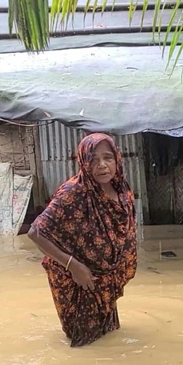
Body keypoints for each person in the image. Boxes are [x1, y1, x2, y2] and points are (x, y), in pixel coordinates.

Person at [28, 133, 137, 347]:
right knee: (84, 343)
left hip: (105, 280)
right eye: (93, 159)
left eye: (107, 158)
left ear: (117, 158)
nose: (102, 166)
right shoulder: (73, 192)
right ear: (83, 162)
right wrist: (74, 266)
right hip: (79, 281)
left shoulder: (122, 190)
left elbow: (124, 234)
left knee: (109, 337)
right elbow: (36, 232)